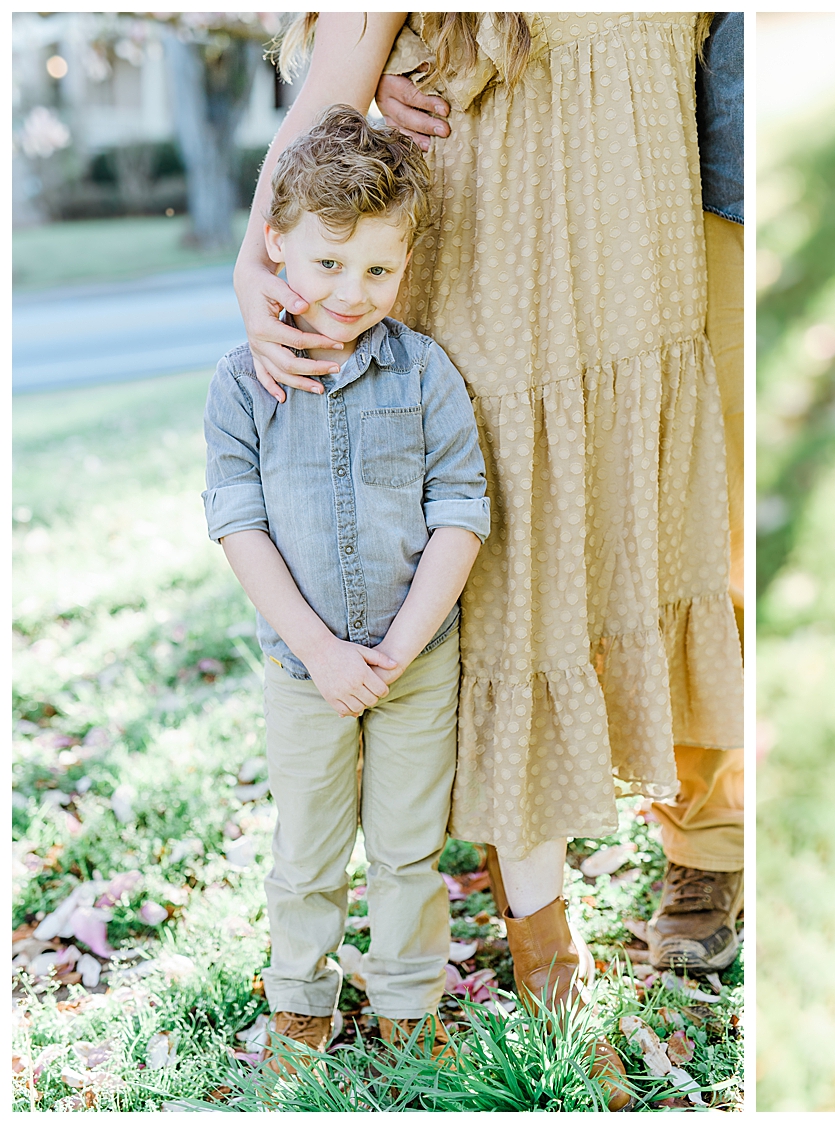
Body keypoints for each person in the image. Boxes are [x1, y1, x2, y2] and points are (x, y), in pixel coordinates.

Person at [239, 12, 743, 1003]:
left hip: (646, 246)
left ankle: (702, 835)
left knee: (660, 538)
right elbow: (334, 78)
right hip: (507, 263)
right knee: (523, 571)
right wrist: (255, 264)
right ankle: (544, 936)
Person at [203, 104, 490, 1067]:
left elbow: (461, 508)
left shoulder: (424, 374)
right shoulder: (242, 387)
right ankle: (300, 1002)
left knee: (409, 848)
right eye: (329, 263)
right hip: (302, 667)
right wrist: (325, 654)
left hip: (413, 662)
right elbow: (238, 523)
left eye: (379, 267)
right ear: (275, 246)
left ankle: (409, 1005)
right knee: (309, 850)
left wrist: (398, 649)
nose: (355, 289)